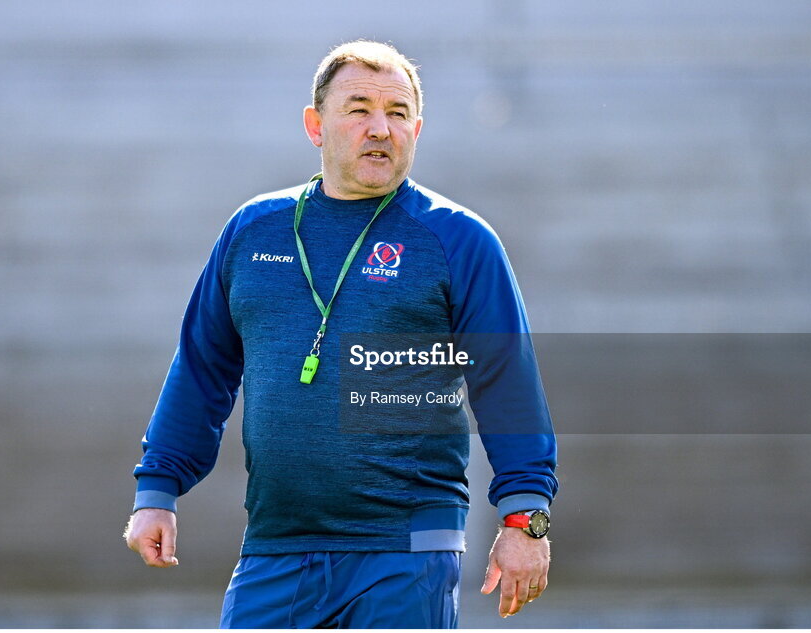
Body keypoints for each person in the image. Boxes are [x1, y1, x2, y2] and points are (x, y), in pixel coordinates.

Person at [124, 40, 558, 629]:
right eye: (359, 109)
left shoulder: (459, 239)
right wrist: (158, 490)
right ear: (315, 125)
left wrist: (525, 518)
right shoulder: (253, 230)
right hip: (276, 545)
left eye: (398, 114)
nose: (380, 128)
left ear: (417, 129)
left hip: (408, 550)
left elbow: (509, 387)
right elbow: (202, 371)